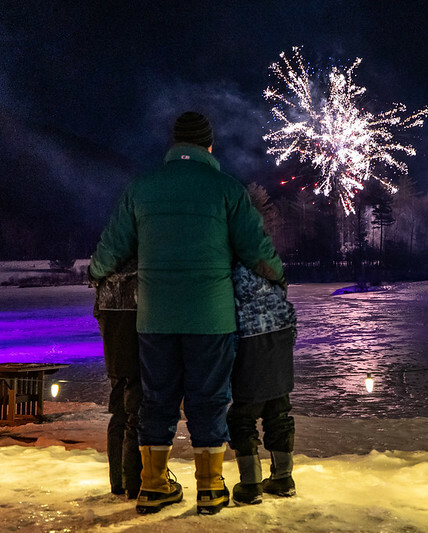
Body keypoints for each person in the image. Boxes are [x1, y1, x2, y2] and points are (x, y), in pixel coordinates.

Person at [88, 111, 284, 516]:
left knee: (156, 401)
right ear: (209, 146)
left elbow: (112, 248)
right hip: (211, 320)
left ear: (174, 145)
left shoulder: (141, 188)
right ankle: (211, 489)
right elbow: (257, 251)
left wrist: (96, 271)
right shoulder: (227, 189)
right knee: (209, 400)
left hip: (155, 319)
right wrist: (278, 277)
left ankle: (153, 486)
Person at [226, 262, 296, 505]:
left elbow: (230, 336)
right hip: (279, 357)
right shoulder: (273, 287)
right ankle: (283, 478)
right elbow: (291, 319)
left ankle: (251, 484)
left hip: (250, 358)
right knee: (278, 414)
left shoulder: (231, 290)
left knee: (241, 419)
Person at [93, 258, 142, 500]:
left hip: (114, 344)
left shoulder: (105, 273)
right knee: (136, 411)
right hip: (136, 342)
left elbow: (98, 316)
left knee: (120, 411)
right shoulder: (142, 270)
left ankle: (120, 481)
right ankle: (135, 480)